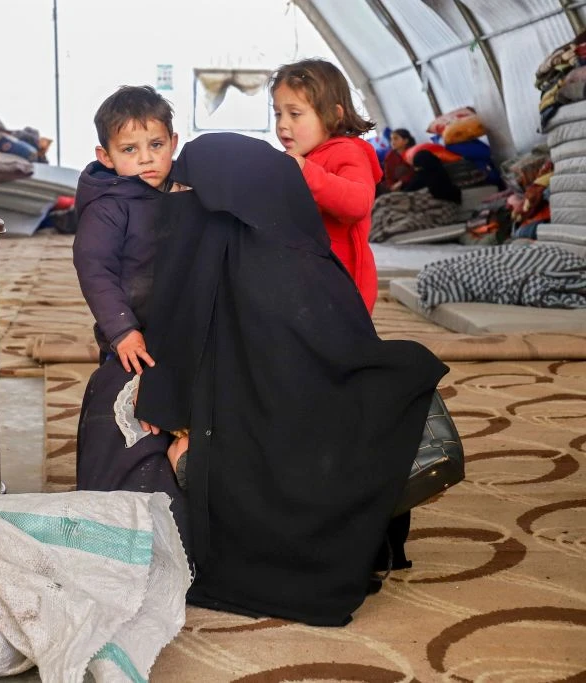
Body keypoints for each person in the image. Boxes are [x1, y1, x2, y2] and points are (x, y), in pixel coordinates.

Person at [78, 132, 447, 627]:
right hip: (324, 452)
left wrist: (196, 451)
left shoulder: (243, 273)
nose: (176, 203)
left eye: (187, 192)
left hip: (286, 473)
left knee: (124, 417)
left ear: (226, 200)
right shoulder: (304, 257)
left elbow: (257, 401)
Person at [72, 85, 178, 374]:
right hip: (130, 333)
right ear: (106, 157)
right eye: (130, 149)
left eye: (156, 145)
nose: (146, 158)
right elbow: (95, 272)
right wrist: (121, 329)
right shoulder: (106, 208)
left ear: (173, 143)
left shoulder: (184, 190)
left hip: (178, 327)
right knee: (123, 390)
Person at [270, 58, 382, 314]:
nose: (283, 124)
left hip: (340, 290)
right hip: (304, 282)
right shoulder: (296, 160)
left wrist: (307, 173)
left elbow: (357, 203)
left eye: (295, 114)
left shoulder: (347, 152)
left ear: (334, 114)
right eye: (278, 114)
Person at [369, 150, 464, 243]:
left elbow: (415, 196)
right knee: (385, 209)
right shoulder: (429, 175)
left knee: (391, 213)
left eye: (418, 169)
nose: (417, 171)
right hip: (414, 207)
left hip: (438, 211)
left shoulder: (439, 182)